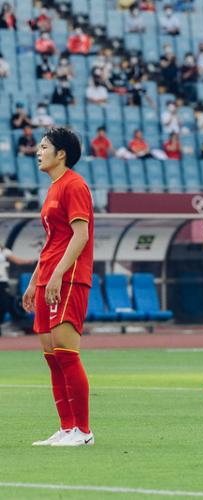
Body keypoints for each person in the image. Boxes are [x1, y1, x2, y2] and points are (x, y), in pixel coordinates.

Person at [23, 127, 95, 446]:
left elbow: (81, 236)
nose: (39, 152)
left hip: (68, 278)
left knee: (66, 353)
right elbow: (54, 240)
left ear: (61, 153)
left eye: (44, 147)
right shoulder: (53, 188)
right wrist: (34, 280)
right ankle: (67, 427)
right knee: (52, 357)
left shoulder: (74, 185)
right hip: (48, 278)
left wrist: (57, 275)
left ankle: (83, 430)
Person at [0, 244, 34, 334]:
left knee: (4, 303)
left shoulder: (4, 251)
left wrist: (28, 261)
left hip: (2, 281)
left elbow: (17, 260)